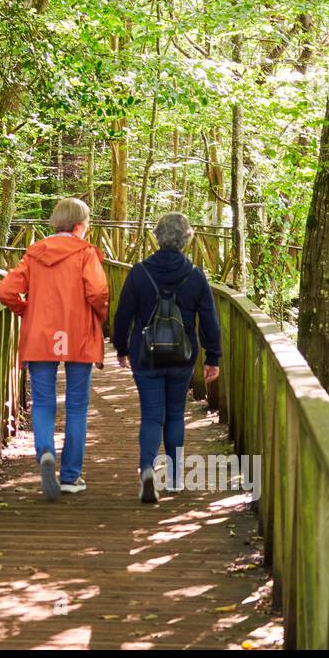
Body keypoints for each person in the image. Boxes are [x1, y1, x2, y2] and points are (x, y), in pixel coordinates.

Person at [0, 198, 109, 501]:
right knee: (77, 406)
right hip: (78, 334)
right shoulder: (86, 253)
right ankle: (71, 476)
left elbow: (5, 290)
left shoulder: (35, 253)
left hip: (41, 336)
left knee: (44, 403)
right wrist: (99, 315)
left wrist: (24, 309)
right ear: (78, 226)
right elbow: (98, 292)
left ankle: (45, 451)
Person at [112, 212, 221, 504]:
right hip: (182, 357)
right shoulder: (195, 275)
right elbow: (210, 319)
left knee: (151, 416)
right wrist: (213, 357)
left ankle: (147, 471)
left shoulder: (139, 272)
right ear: (187, 239)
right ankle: (173, 478)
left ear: (158, 237)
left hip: (145, 356)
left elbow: (123, 315)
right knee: (175, 413)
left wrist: (121, 348)